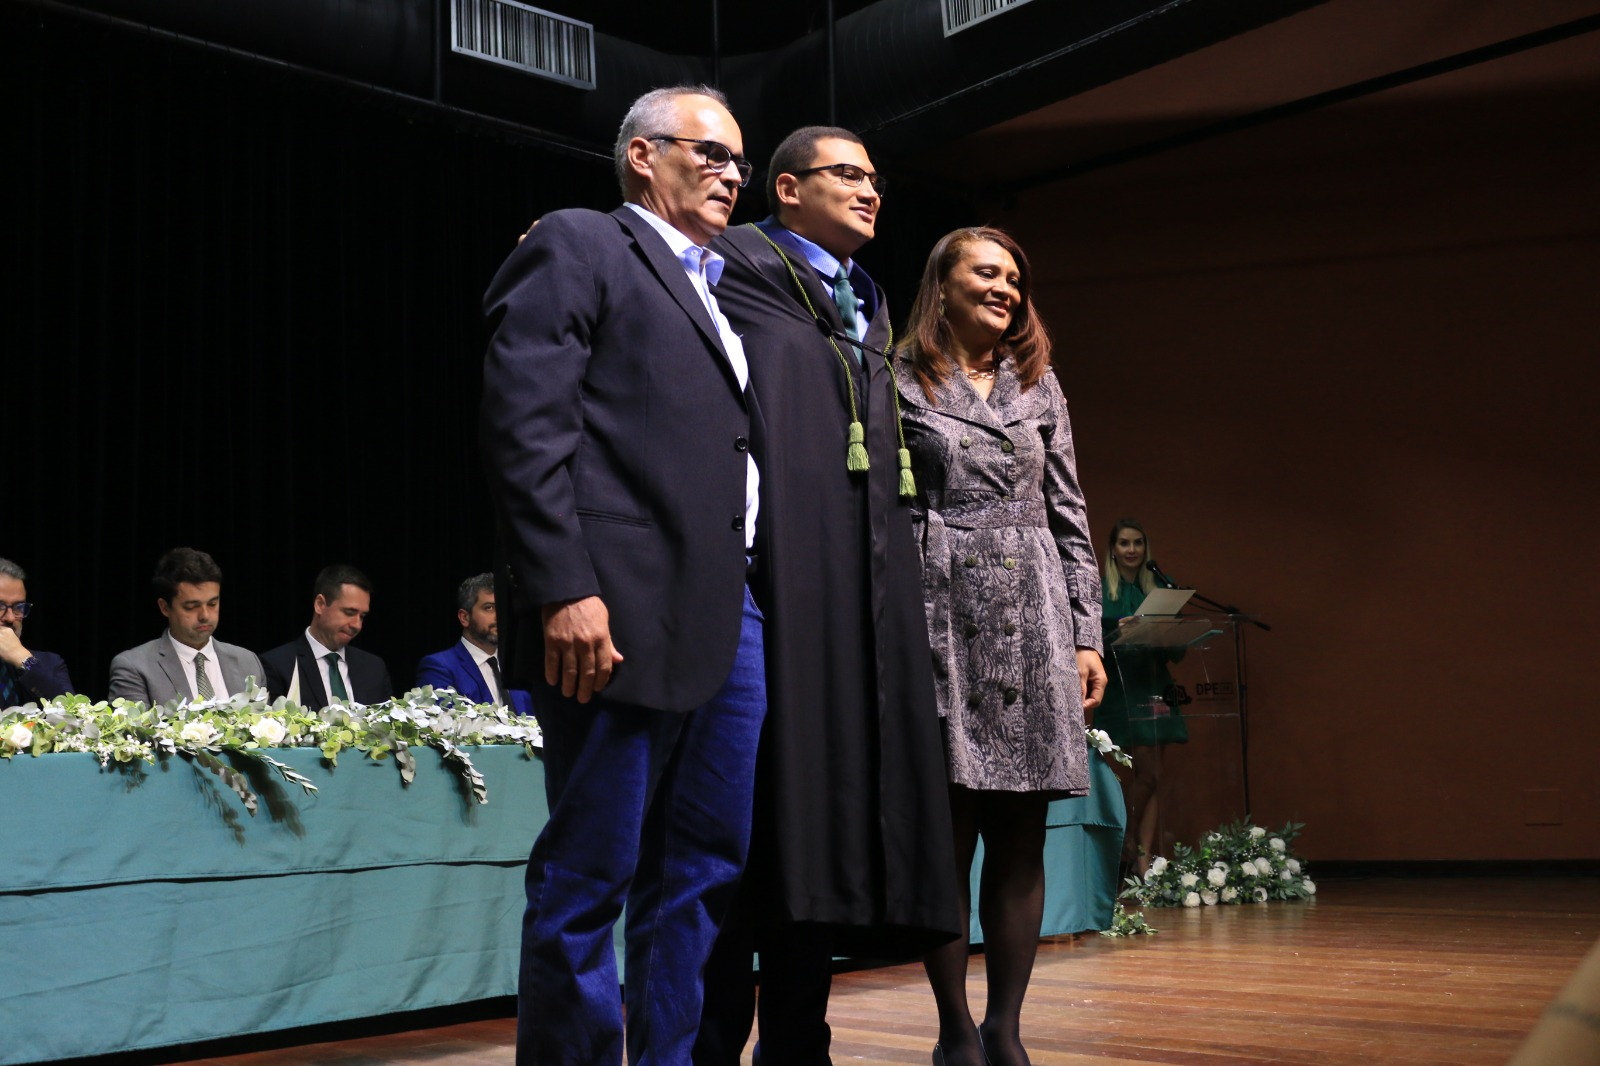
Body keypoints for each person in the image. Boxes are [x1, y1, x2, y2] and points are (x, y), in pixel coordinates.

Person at [480, 84, 766, 1065]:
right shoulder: (581, 240)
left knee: (700, 872)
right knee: (592, 868)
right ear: (642, 156)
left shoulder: (720, 283)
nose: (732, 172)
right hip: (615, 607)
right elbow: (527, 426)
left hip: (728, 615)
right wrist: (562, 584)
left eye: (740, 160)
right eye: (710, 153)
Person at [694, 127, 962, 1065]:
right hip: (765, 599)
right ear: (787, 187)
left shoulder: (869, 309)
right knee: (752, 824)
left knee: (821, 821)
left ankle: (802, 1040)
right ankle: (711, 1042)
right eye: (848, 175)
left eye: (877, 179)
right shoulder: (733, 269)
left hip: (860, 610)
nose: (871, 191)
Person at [895, 226, 1106, 1066]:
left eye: (1014, 277)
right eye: (986, 273)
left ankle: (1006, 1026)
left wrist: (1088, 635)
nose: (1005, 289)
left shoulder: (1039, 383)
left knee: (1020, 835)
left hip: (1034, 613)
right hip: (936, 610)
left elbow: (1072, 512)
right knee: (946, 833)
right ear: (940, 286)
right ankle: (954, 1029)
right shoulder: (896, 376)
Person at [1097, 518, 1188, 875]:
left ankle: (1143, 857)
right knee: (1139, 774)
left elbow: (1177, 652)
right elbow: (1091, 645)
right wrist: (1116, 630)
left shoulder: (1159, 590)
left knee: (1155, 776)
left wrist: (1167, 629)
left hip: (1155, 687)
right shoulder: (1102, 590)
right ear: (1113, 549)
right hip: (1121, 690)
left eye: (1137, 543)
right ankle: (1126, 842)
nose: (1131, 550)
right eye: (1124, 543)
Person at [108, 547, 265, 704]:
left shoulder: (247, 662)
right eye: (191, 607)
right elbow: (135, 729)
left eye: (212, 604)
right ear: (164, 607)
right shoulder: (135, 667)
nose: (205, 615)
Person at [260, 564, 392, 710]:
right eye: (349, 612)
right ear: (320, 605)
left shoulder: (374, 668)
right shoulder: (278, 665)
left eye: (362, 616)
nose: (357, 625)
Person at [415, 572, 532, 714]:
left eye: (502, 608)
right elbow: (444, 728)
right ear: (464, 617)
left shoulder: (516, 666)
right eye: (489, 607)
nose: (499, 616)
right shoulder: (439, 667)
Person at [0, 558, 73, 705]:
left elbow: (72, 715)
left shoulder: (50, 664)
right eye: (0, 606)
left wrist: (25, 660)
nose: (10, 618)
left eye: (18, 607)